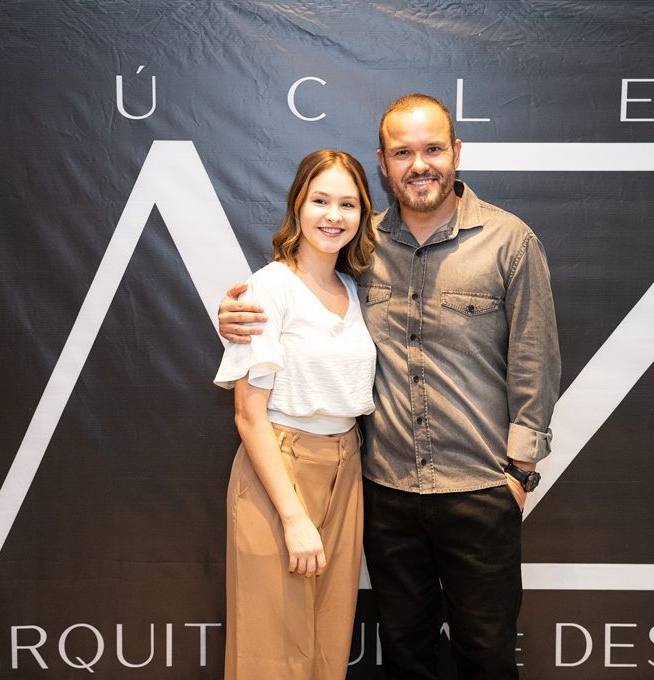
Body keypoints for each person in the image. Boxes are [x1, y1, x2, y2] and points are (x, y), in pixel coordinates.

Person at [219, 94, 560, 680]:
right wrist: (234, 317)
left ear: (456, 153)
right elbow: (295, 294)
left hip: (479, 487)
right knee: (405, 656)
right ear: (383, 162)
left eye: (432, 149)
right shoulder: (362, 247)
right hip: (386, 491)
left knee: (487, 654)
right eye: (403, 152)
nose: (419, 164)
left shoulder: (510, 242)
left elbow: (536, 363)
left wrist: (519, 476)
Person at [213, 149, 377, 680]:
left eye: (348, 204)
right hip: (280, 472)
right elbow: (248, 415)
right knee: (271, 652)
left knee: (329, 646)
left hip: (346, 467)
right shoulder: (269, 288)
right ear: (297, 206)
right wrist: (293, 517)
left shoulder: (353, 289)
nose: (334, 215)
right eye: (320, 200)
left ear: (363, 213)